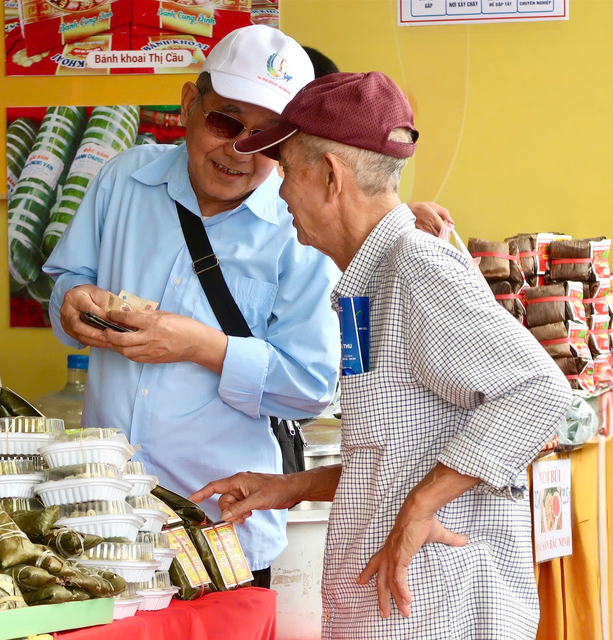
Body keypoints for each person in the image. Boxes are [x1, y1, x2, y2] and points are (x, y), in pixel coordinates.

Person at [43, 26, 449, 586]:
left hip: (219, 527)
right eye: (226, 122)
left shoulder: (301, 227)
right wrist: (70, 303)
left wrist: (201, 347)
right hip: (102, 522)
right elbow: (69, 283)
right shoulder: (122, 181)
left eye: (266, 140)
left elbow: (310, 386)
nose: (239, 151)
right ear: (190, 104)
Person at [191, 72, 571, 638]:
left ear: (328, 176)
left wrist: (421, 507)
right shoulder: (368, 283)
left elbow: (539, 392)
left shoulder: (417, 268)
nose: (282, 192)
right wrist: (287, 488)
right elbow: (394, 457)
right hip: (388, 609)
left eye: (288, 172)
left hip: (436, 611)